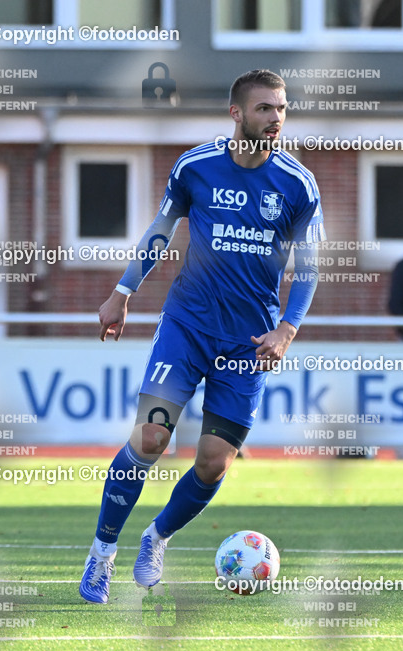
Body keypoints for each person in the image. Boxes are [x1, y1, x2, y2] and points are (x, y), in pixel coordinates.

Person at [79, 69, 324, 604]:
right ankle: (102, 554)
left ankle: (157, 536)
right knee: (151, 438)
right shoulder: (196, 167)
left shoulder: (298, 184)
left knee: (214, 461)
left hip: (249, 341)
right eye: (265, 109)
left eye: (282, 108)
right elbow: (161, 231)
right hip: (186, 328)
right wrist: (123, 292)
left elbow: (309, 266)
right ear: (236, 113)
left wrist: (287, 329)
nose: (276, 118)